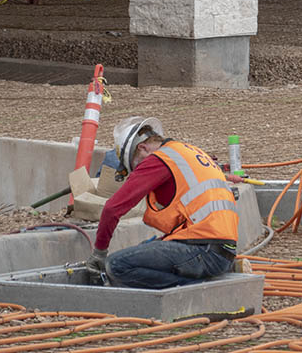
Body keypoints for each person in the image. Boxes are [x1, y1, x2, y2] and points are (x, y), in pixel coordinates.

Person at [85, 116, 239, 288]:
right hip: (222, 251)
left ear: (142, 148)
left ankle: (195, 288)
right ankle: (215, 273)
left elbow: (112, 209)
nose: (138, 172)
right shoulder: (189, 153)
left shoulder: (160, 159)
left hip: (202, 250)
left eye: (135, 166)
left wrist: (99, 252)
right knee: (145, 249)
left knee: (116, 265)